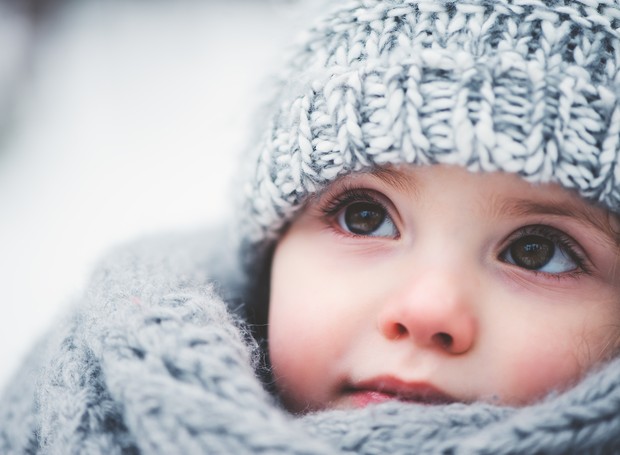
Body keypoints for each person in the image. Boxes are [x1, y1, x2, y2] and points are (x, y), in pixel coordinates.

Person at [2, 0, 620, 453]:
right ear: (270, 254)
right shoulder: (77, 413)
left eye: (538, 252)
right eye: (365, 216)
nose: (427, 311)